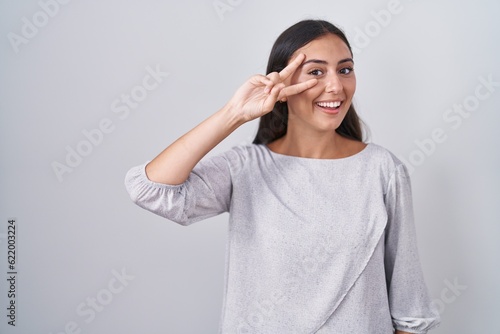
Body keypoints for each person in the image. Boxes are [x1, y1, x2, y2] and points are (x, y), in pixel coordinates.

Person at [125, 19, 441, 333]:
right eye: (316, 72)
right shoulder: (246, 168)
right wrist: (233, 114)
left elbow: (410, 309)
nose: (335, 86)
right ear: (283, 87)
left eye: (344, 69)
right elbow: (151, 190)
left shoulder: (383, 169)